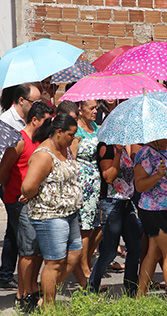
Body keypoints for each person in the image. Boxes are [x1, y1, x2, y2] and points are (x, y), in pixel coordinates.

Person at [20, 114, 84, 307]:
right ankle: (48, 305)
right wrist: (34, 192)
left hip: (69, 213)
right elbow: (27, 187)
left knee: (75, 255)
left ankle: (46, 295)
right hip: (50, 216)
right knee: (54, 262)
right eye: (70, 135)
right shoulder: (43, 155)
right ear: (58, 132)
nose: (73, 138)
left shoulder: (65, 149)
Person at [0, 102, 53, 311]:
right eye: (46, 122)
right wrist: (12, 193)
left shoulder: (40, 141)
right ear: (35, 120)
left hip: (35, 203)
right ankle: (23, 294)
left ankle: (30, 287)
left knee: (35, 249)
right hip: (18, 202)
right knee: (27, 250)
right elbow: (3, 171)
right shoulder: (20, 141)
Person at [0, 83, 41, 290]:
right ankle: (20, 286)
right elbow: (5, 165)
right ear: (22, 100)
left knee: (14, 232)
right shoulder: (6, 122)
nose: (38, 105)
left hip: (24, 186)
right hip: (11, 185)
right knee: (23, 235)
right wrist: (12, 187)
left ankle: (6, 274)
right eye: (36, 101)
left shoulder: (29, 120)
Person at [88, 140, 142, 296]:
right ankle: (92, 288)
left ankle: (131, 289)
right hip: (111, 203)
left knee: (135, 248)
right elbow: (108, 177)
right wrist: (118, 153)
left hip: (127, 203)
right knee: (110, 251)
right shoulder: (107, 148)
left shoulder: (127, 149)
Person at [135, 137, 167, 296]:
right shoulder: (145, 153)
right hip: (154, 208)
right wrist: (158, 175)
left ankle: (140, 296)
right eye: (166, 135)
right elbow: (139, 185)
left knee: (154, 253)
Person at [71, 100, 102, 279]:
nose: (95, 111)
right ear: (80, 109)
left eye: (97, 107)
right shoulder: (76, 130)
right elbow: (72, 157)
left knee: (98, 226)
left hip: (97, 180)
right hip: (83, 181)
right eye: (92, 108)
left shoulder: (96, 128)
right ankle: (83, 268)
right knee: (85, 226)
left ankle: (88, 260)